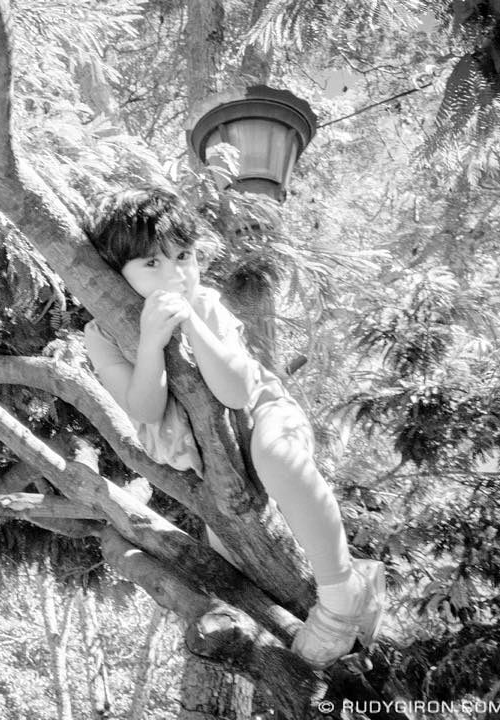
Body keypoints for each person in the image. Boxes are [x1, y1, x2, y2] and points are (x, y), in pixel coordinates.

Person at [81, 187, 385, 669]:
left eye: (183, 256)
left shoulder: (204, 301)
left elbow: (238, 392)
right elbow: (144, 406)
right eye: (150, 264)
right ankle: (332, 642)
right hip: (213, 465)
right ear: (116, 274)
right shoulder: (100, 333)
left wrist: (193, 326)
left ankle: (344, 589)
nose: (175, 274)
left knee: (277, 456)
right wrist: (152, 342)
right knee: (239, 564)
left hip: (265, 416)